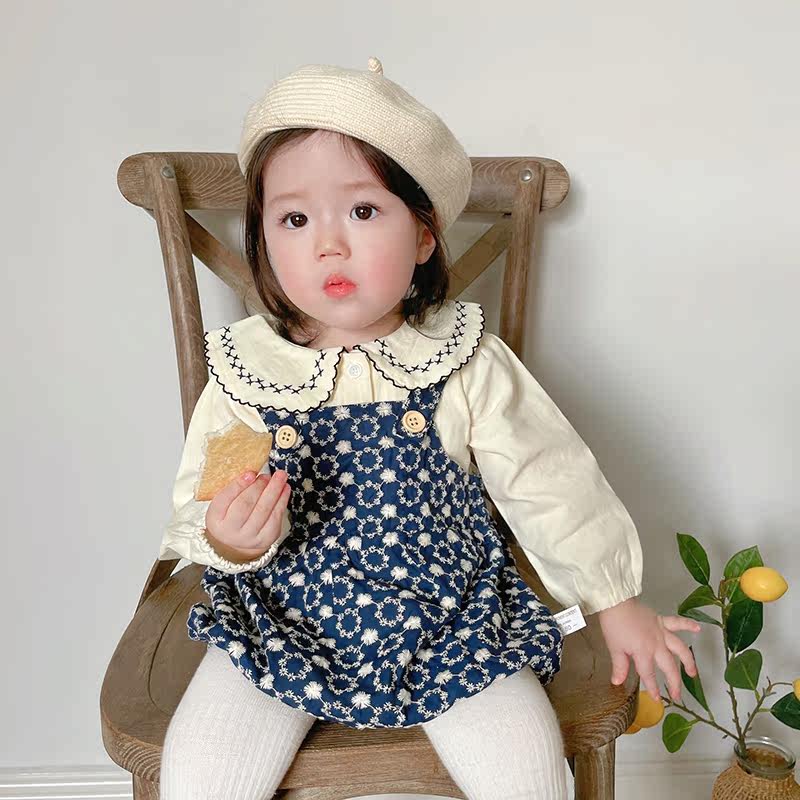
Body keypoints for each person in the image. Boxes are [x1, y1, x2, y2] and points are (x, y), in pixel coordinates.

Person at [158, 56, 700, 800]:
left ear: (423, 236)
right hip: (281, 619)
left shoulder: (466, 359)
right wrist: (230, 537)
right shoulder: (249, 371)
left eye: (362, 211)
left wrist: (615, 598)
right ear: (265, 242)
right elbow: (200, 497)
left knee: (528, 772)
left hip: (450, 621)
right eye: (294, 219)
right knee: (199, 773)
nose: (328, 244)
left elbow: (550, 480)